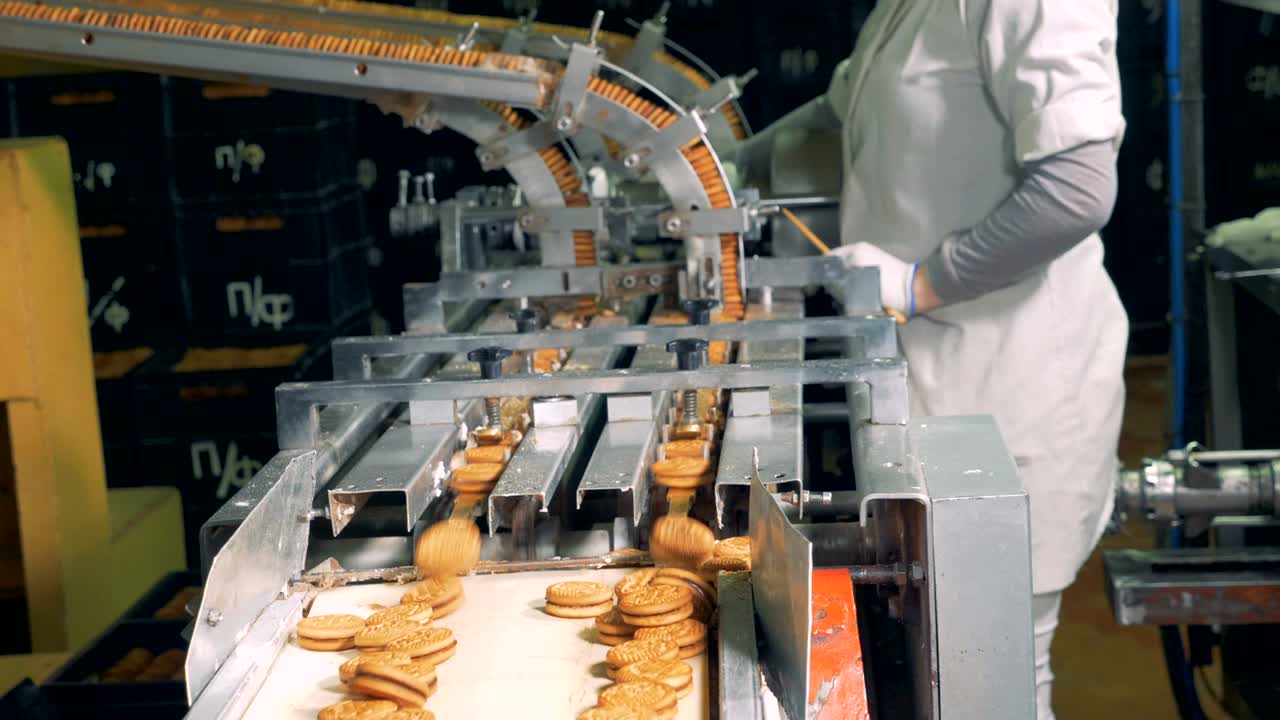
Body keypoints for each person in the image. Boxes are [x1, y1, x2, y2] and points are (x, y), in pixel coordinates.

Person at [736, 2, 1128, 718]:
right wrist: (721, 167)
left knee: (991, 678)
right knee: (934, 671)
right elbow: (837, 108)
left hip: (1009, 393)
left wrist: (924, 283)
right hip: (922, 383)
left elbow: (1076, 190)